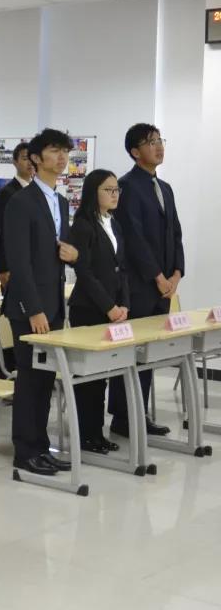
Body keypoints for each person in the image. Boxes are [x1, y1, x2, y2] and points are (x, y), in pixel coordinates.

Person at [3, 128, 78, 476]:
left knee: (46, 379)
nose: (61, 157)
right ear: (35, 158)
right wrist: (34, 309)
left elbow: (57, 251)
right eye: (54, 150)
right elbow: (18, 262)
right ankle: (25, 450)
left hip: (53, 302)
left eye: (65, 151)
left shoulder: (60, 201)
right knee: (29, 379)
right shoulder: (22, 202)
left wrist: (71, 254)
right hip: (28, 307)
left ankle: (41, 446)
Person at [108, 123, 183, 438]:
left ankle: (139, 414)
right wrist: (157, 276)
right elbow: (134, 239)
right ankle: (123, 417)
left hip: (164, 286)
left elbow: (175, 232)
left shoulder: (164, 187)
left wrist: (176, 273)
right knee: (131, 352)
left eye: (159, 140)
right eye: (151, 142)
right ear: (135, 151)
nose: (158, 146)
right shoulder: (126, 186)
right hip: (139, 285)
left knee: (149, 353)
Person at [68, 169, 129, 454]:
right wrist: (109, 307)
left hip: (114, 308)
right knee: (88, 379)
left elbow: (122, 268)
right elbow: (85, 272)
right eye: (108, 190)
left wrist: (124, 304)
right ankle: (86, 434)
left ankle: (97, 433)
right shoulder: (83, 225)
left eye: (117, 190)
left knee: (103, 373)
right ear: (94, 192)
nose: (114, 195)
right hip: (89, 309)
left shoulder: (114, 223)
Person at [0, 142, 32, 289]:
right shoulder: (7, 193)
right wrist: (3, 267)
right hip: (14, 263)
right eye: (25, 158)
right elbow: (1, 231)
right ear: (15, 162)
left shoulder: (39, 191)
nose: (30, 163)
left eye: (33, 158)